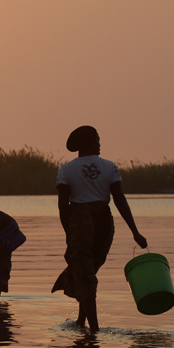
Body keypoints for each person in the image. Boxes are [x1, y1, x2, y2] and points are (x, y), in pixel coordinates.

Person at [53, 126, 147, 332]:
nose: (99, 144)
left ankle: (93, 329)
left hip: (80, 221)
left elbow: (62, 207)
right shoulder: (109, 166)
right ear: (87, 143)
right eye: (97, 140)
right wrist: (135, 231)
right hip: (105, 223)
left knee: (84, 271)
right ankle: (81, 321)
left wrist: (69, 233)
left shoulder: (66, 169)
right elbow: (120, 200)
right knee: (88, 270)